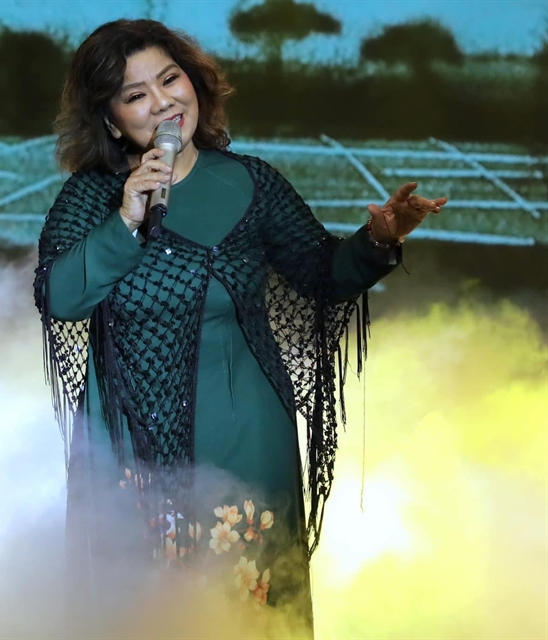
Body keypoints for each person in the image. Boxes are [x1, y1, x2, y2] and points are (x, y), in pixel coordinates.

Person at [33, 18, 447, 634]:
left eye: (170, 79)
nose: (163, 102)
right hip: (130, 450)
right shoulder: (90, 198)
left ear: (195, 83)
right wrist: (127, 219)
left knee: (247, 614)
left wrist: (379, 240)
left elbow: (321, 273)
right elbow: (60, 298)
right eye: (136, 94)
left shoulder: (251, 183)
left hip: (244, 439)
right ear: (112, 121)